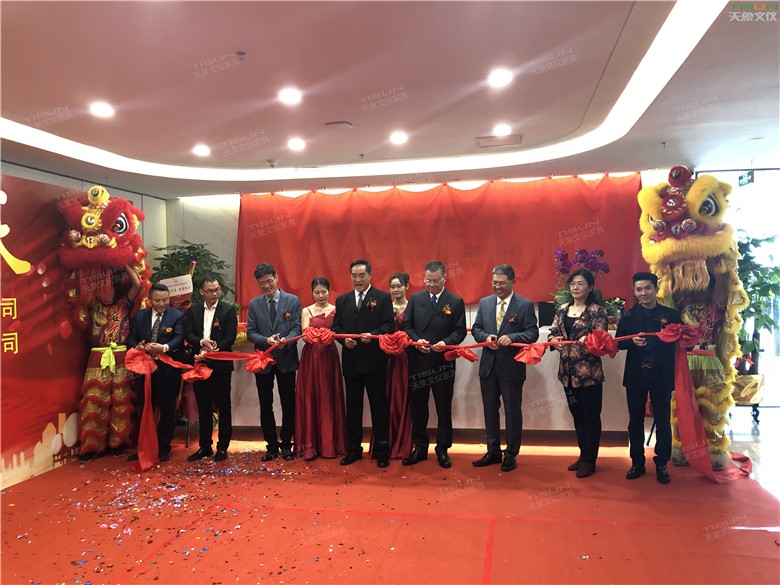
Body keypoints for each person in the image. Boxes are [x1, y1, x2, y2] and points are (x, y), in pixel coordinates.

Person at [616, 272, 683, 484]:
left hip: (660, 374)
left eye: (647, 288)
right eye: (639, 289)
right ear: (634, 291)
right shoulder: (628, 315)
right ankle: (637, 462)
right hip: (636, 374)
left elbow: (682, 341)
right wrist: (631, 342)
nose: (643, 293)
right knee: (635, 421)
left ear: (656, 289)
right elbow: (618, 342)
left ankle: (662, 463)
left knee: (662, 421)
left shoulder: (671, 315)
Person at [472, 264, 539, 473]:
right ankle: (493, 451)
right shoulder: (485, 303)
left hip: (511, 367)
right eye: (494, 283)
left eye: (501, 283)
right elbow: (476, 329)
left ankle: (511, 454)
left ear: (512, 282)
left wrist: (513, 337)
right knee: (489, 410)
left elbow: (532, 333)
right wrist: (486, 338)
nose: (497, 287)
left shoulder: (524, 305)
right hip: (488, 367)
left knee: (512, 411)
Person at [401, 261, 466, 469]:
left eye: (435, 281)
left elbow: (460, 331)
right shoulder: (416, 298)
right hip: (419, 360)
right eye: (428, 280)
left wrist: (445, 343)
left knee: (443, 407)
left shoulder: (455, 301)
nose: (431, 285)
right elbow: (406, 325)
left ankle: (443, 448)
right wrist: (416, 340)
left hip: (442, 362)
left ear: (444, 278)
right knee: (418, 406)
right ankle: (420, 446)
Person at [332, 259, 394, 468]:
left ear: (370, 275)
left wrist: (374, 335)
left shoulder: (382, 298)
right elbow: (336, 328)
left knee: (379, 408)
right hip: (351, 362)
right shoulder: (342, 300)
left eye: (362, 275)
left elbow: (389, 326)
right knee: (353, 409)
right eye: (354, 276)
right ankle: (353, 450)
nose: (357, 280)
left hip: (375, 361)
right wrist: (344, 341)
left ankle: (382, 451)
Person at [78, 264, 142, 462]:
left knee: (121, 400)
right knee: (94, 399)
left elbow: (137, 284)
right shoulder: (92, 306)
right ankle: (92, 446)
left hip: (120, 356)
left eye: (110, 288)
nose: (108, 293)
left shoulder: (124, 304)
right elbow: (80, 286)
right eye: (103, 289)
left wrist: (124, 262)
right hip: (98, 357)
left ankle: (118, 443)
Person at [548, 268, 607, 478]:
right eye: (573, 283)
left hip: (588, 374)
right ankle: (583, 454)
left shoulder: (596, 311)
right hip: (567, 373)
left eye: (580, 283)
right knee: (577, 416)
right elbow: (553, 333)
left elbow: (601, 339)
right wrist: (554, 342)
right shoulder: (562, 309)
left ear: (590, 287)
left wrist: (587, 341)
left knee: (591, 417)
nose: (575, 287)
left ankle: (590, 460)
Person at [247, 263, 302, 462]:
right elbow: (251, 332)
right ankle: (271, 445)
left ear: (276, 278)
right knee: (265, 403)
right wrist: (266, 340)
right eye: (262, 283)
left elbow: (297, 327)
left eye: (269, 281)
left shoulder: (292, 300)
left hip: (286, 358)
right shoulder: (254, 304)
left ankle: (286, 443)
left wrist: (286, 341)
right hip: (263, 361)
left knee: (288, 403)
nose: (266, 286)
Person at [126, 283, 186, 462]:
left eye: (165, 300)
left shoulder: (177, 316)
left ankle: (163, 447)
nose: (161, 304)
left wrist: (164, 347)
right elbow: (131, 337)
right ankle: (144, 447)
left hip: (167, 370)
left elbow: (179, 338)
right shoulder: (140, 316)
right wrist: (137, 346)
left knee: (167, 409)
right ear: (150, 300)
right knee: (145, 408)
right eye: (157, 300)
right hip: (144, 370)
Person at [184, 275, 238, 463]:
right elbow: (188, 334)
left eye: (217, 290)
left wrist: (214, 349)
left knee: (223, 406)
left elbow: (230, 337)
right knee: (203, 406)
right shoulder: (194, 310)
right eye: (210, 291)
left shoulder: (228, 310)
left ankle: (222, 447)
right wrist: (201, 343)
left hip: (220, 365)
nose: (215, 294)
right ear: (201, 292)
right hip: (199, 364)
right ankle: (205, 446)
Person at [294, 277, 347, 460]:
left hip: (329, 358)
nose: (321, 295)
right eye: (317, 292)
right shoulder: (306, 311)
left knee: (329, 397)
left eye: (324, 292)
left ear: (329, 291)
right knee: (311, 396)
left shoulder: (336, 310)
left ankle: (330, 445)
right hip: (311, 358)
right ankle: (311, 446)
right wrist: (311, 335)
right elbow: (304, 335)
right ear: (312, 293)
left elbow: (340, 331)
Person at [379, 272, 413, 459]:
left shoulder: (412, 306)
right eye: (392, 287)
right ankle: (387, 443)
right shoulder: (386, 307)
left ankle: (404, 442)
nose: (395, 290)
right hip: (387, 359)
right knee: (386, 398)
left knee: (404, 398)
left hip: (407, 358)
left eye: (399, 286)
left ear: (407, 286)